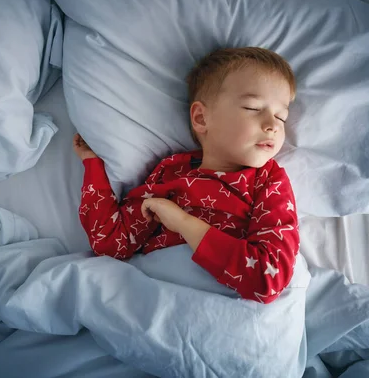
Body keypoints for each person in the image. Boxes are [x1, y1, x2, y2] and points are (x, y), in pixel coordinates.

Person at [73, 47, 299, 304]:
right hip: (160, 298)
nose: (272, 125)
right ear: (201, 118)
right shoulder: (171, 172)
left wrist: (182, 222)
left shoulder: (269, 182)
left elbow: (268, 279)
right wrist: (93, 165)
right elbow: (111, 242)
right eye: (253, 107)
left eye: (281, 116)